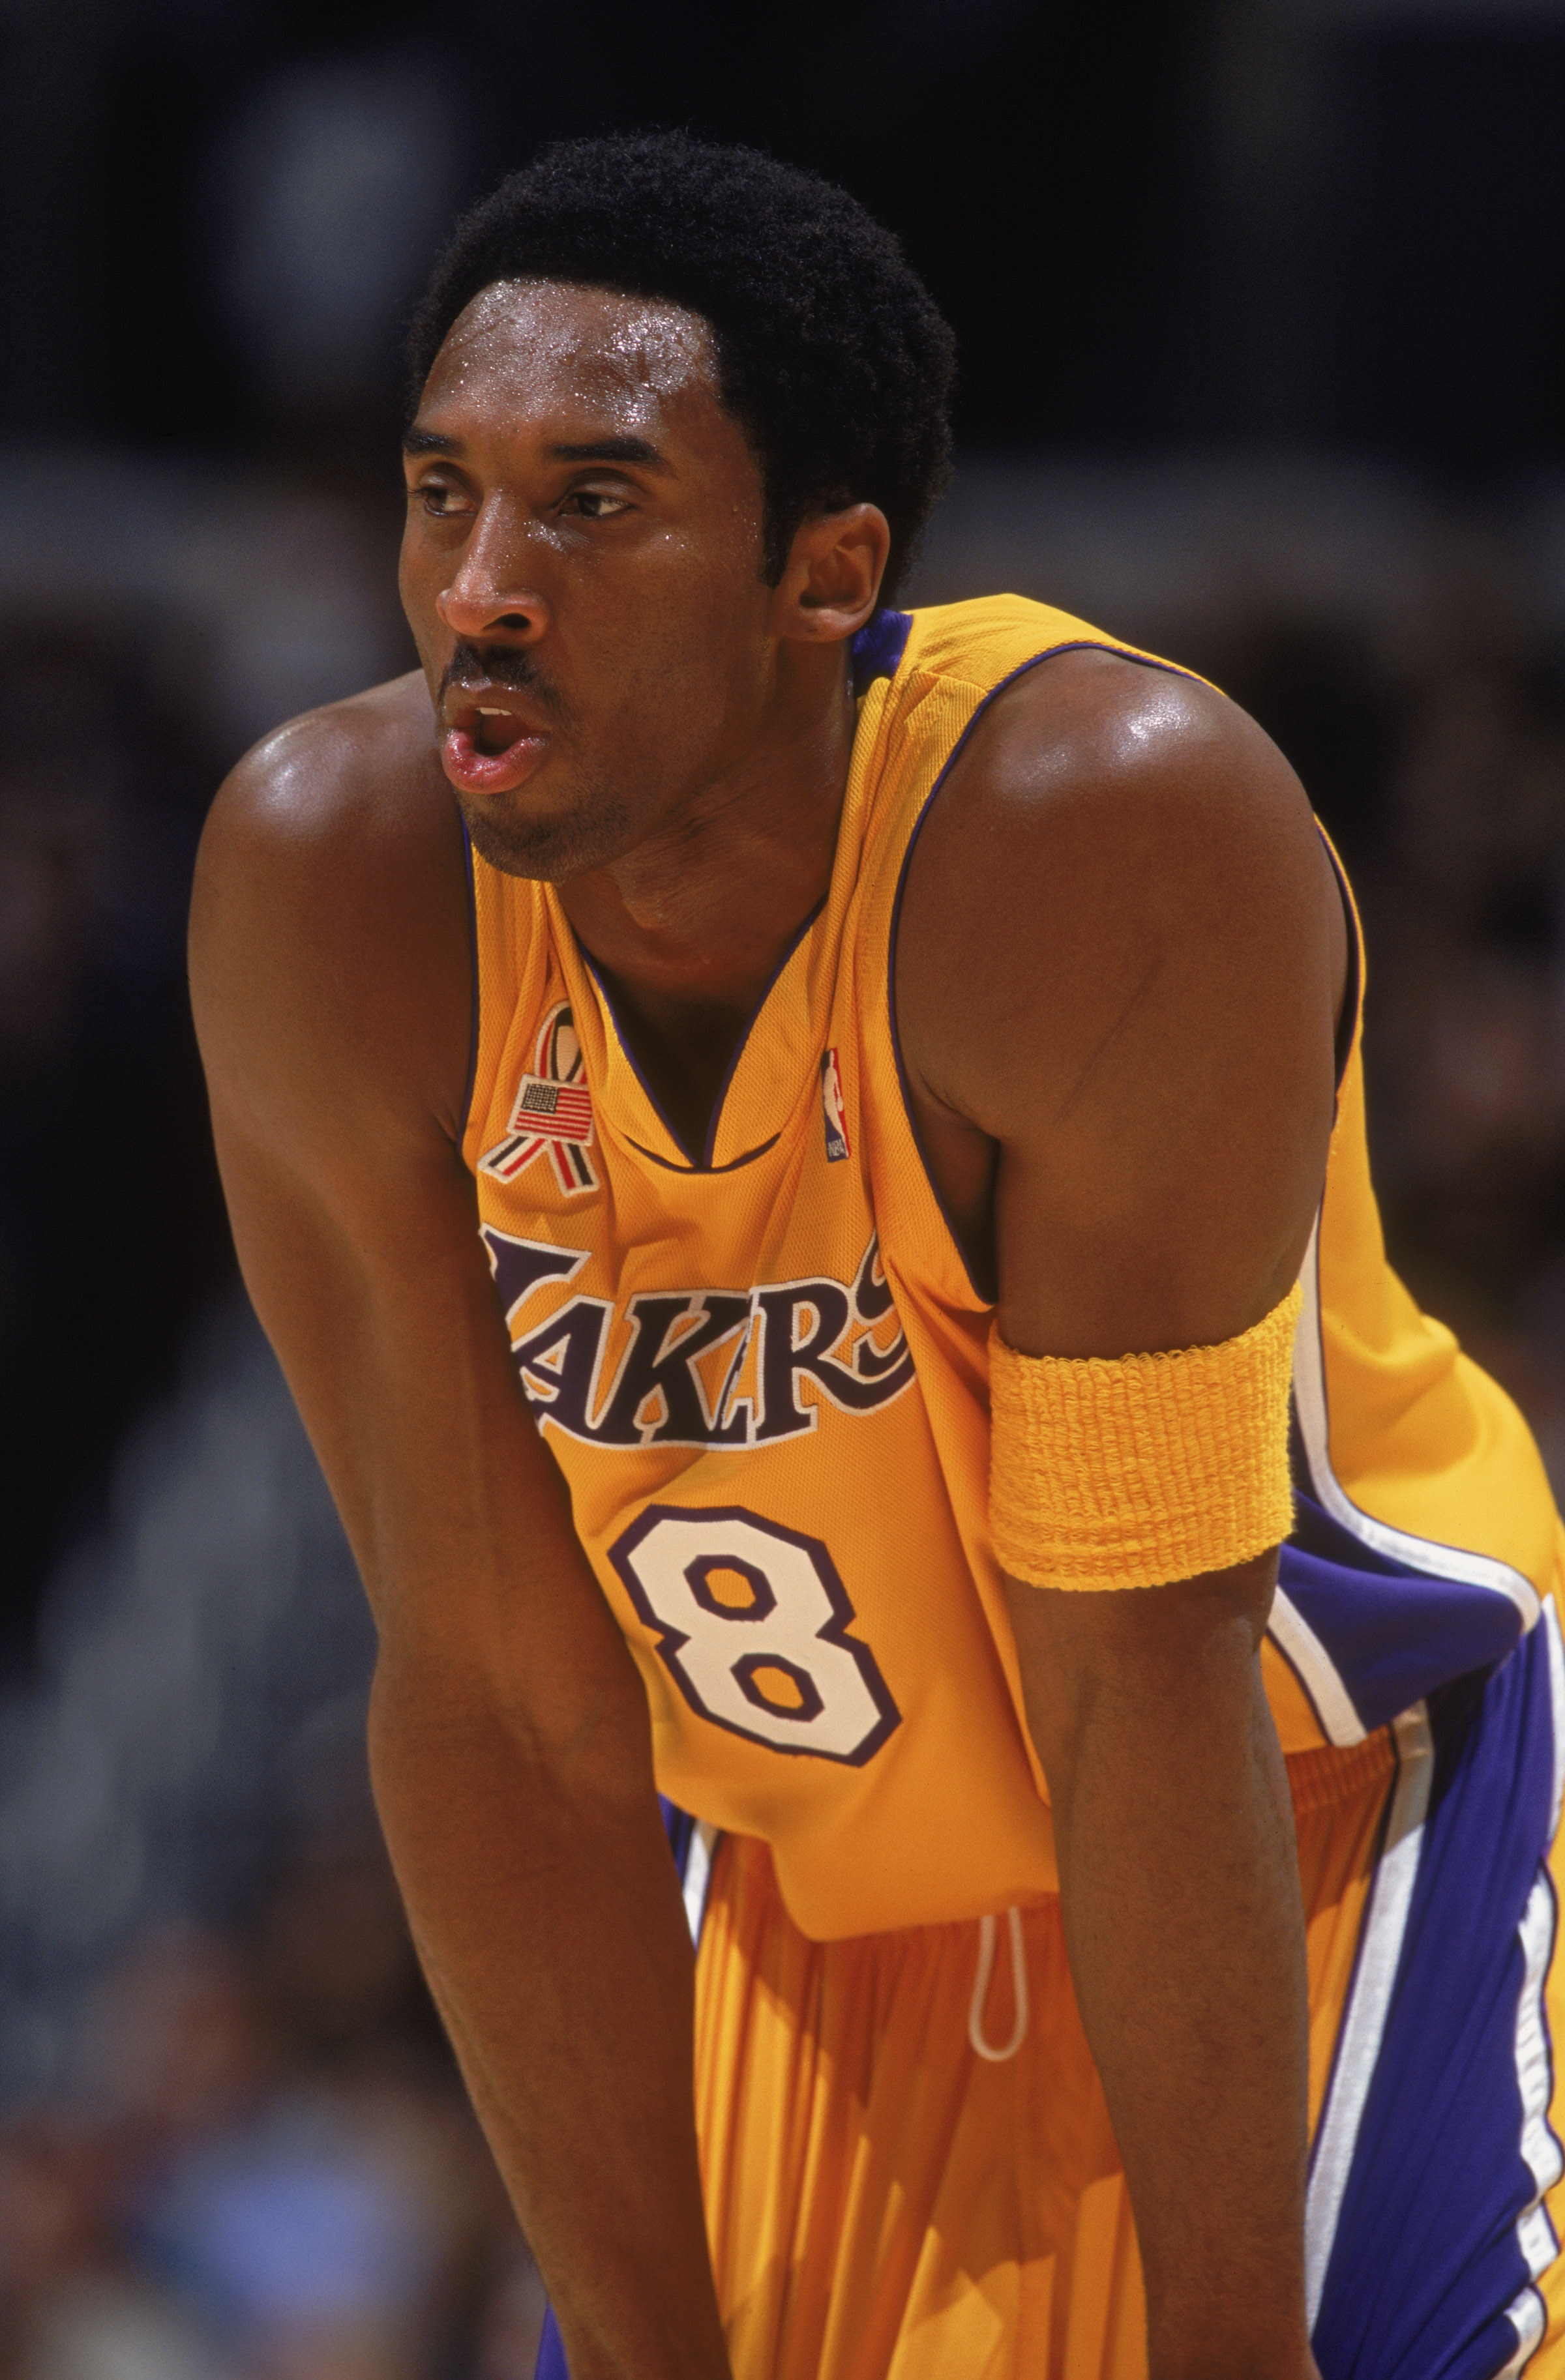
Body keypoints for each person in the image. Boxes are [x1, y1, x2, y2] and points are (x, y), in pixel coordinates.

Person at [188, 132, 1565, 2380]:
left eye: (594, 502)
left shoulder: (1093, 828)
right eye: (444, 495)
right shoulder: (330, 892)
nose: (481, 589)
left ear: (824, 574)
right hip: (815, 1898)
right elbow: (511, 1711)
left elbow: (1142, 1667)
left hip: (1306, 1813)